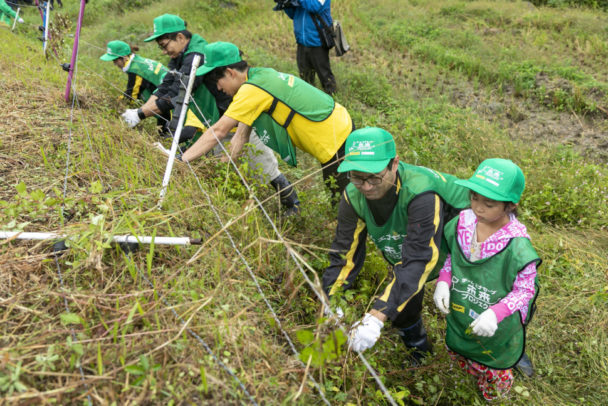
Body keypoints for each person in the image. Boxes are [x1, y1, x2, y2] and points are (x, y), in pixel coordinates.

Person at [122, 15, 300, 214]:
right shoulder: (181, 57)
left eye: (165, 45)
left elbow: (178, 93)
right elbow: (167, 85)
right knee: (226, 161)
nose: (164, 51)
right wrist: (139, 112)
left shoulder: (196, 58)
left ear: (180, 37)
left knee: (262, 163)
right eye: (160, 47)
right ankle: (244, 202)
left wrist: (141, 114)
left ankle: (292, 203)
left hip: (237, 118)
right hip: (218, 119)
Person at [321, 127, 470, 364]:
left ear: (395, 164)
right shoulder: (353, 195)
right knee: (402, 296)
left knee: (473, 299)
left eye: (374, 177)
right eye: (357, 177)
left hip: (464, 234)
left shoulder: (420, 192)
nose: (366, 187)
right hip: (414, 241)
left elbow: (419, 259)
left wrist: (377, 315)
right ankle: (418, 349)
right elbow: (343, 253)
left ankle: (506, 352)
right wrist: (332, 299)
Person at [182, 41, 353, 201]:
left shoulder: (251, 90)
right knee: (341, 198)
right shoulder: (260, 75)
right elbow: (240, 136)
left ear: (230, 72)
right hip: (339, 123)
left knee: (345, 204)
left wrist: (182, 161)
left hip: (335, 140)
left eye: (217, 81)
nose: (218, 88)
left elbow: (219, 131)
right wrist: (223, 168)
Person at [432, 158, 540, 401]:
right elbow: (453, 257)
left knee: (493, 359)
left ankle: (492, 391)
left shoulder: (517, 245)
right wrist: (444, 280)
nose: (478, 208)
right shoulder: (464, 222)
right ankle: (464, 378)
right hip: (466, 302)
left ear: (511, 205)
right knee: (462, 344)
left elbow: (524, 290)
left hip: (496, 314)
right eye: (474, 198)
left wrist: (496, 313)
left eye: (489, 204)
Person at [100, 40, 171, 135]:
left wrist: (112, 107)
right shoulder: (137, 61)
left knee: (166, 130)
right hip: (165, 93)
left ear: (124, 58)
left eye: (115, 60)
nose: (115, 64)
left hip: (170, 98)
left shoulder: (137, 70)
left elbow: (131, 96)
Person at [275, 0, 337, 94]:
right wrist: (285, 4)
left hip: (317, 43)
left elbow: (314, 7)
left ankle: (333, 101)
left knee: (325, 76)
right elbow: (293, 15)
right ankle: (310, 101)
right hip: (301, 42)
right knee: (305, 78)